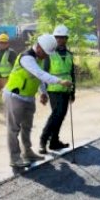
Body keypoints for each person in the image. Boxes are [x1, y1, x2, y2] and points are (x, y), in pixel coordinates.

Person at [3, 34, 73, 168]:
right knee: (13, 129)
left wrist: (43, 93)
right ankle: (15, 158)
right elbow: (41, 74)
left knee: (27, 128)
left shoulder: (38, 58)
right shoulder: (26, 58)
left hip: (28, 97)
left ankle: (27, 153)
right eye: (46, 53)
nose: (46, 56)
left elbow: (38, 77)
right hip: (15, 96)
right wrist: (60, 81)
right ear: (39, 47)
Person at [39, 25, 76, 154]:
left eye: (62, 38)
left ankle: (54, 141)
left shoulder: (70, 54)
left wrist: (73, 92)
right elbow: (43, 74)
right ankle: (43, 141)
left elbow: (72, 74)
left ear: (66, 39)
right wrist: (42, 93)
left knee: (61, 116)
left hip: (66, 90)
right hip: (54, 89)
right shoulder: (50, 54)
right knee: (56, 114)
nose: (60, 40)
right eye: (58, 38)